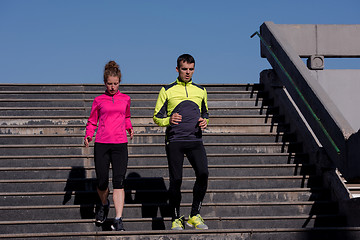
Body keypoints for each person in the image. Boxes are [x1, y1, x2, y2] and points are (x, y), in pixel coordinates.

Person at [153, 54, 209, 230]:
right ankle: (176, 218)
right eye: (184, 69)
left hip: (195, 140)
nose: (188, 72)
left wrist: (206, 121)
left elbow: (205, 113)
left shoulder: (201, 90)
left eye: (191, 69)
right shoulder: (167, 90)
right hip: (175, 141)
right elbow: (156, 117)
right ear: (177, 69)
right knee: (176, 180)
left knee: (203, 173)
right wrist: (169, 120)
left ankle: (194, 215)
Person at [84, 60, 134, 231]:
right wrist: (88, 135)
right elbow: (92, 121)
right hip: (102, 143)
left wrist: (129, 128)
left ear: (119, 82)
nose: (113, 87)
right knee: (102, 181)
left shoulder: (126, 99)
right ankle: (104, 204)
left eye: (115, 83)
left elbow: (126, 117)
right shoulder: (98, 100)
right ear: (104, 83)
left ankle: (118, 218)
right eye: (109, 84)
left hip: (120, 144)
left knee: (119, 182)